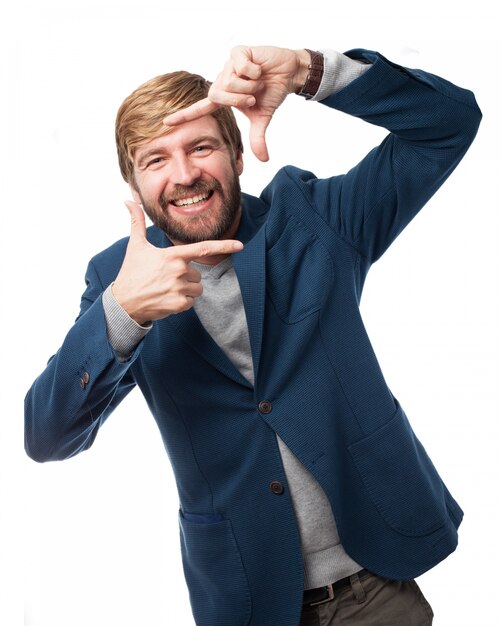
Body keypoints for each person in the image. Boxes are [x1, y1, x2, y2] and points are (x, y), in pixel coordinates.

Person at [25, 45, 481, 626]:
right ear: (134, 186)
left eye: (202, 146)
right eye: (156, 160)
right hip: (248, 600)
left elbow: (448, 124)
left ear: (237, 156)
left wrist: (313, 73)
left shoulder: (316, 221)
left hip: (376, 583)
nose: (185, 174)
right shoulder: (118, 279)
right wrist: (123, 311)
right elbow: (46, 436)